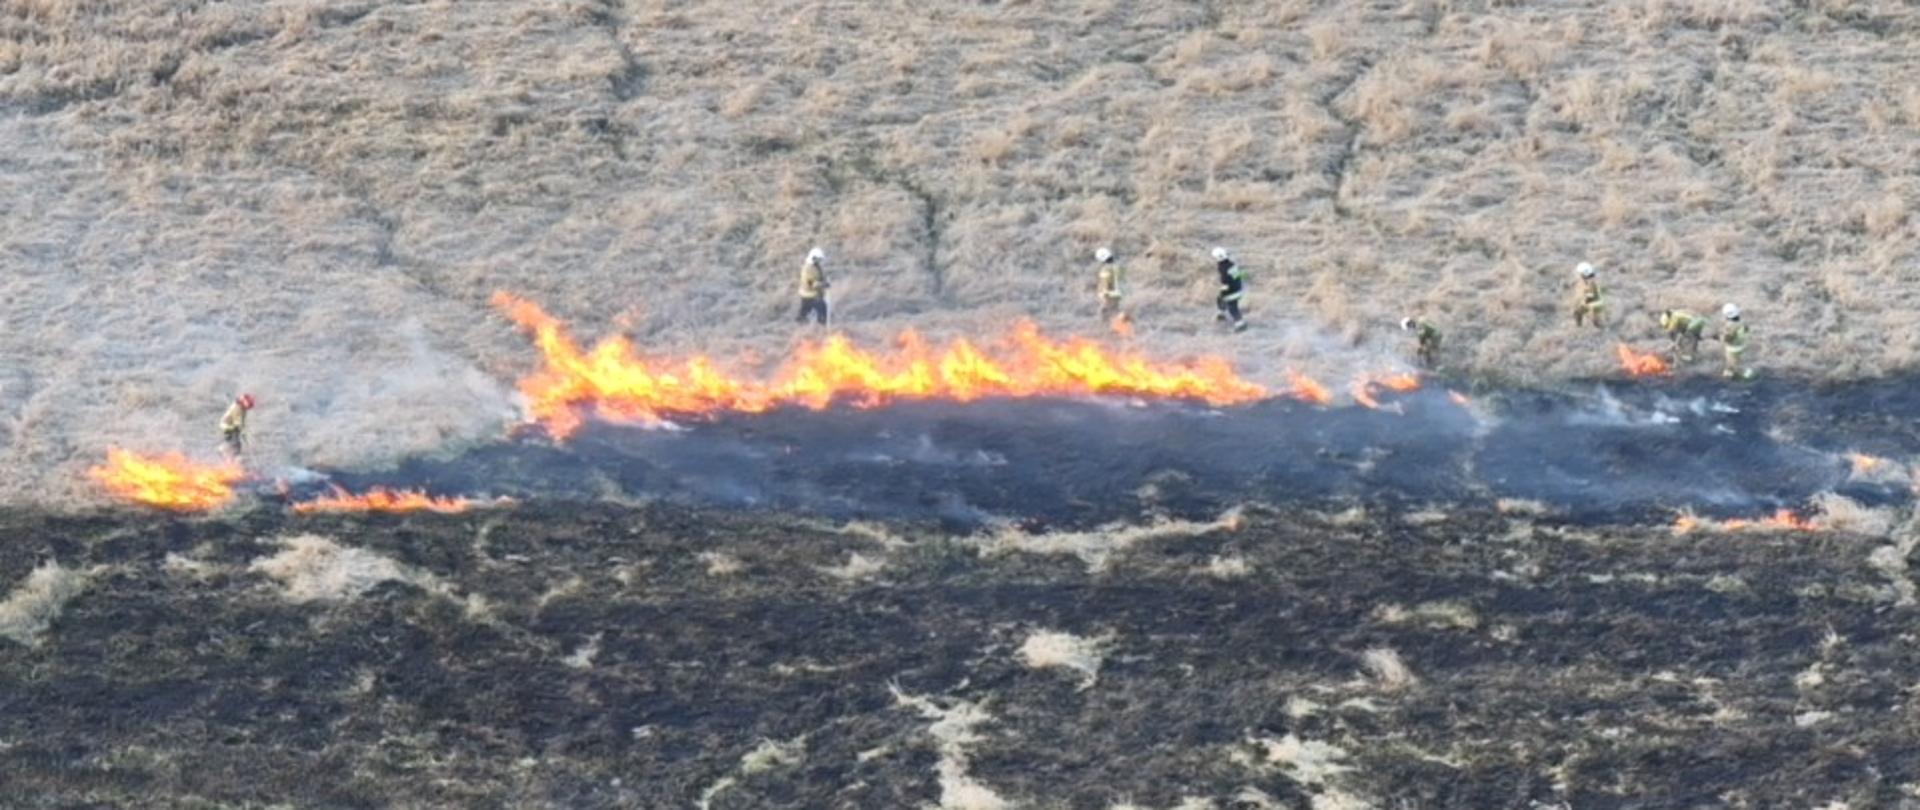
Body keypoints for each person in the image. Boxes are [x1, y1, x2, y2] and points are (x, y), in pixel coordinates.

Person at [1212, 247, 1247, 332]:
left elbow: (1225, 282)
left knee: (1232, 308)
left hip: (1232, 291)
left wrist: (1224, 292)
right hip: (1238, 288)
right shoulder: (1231, 264)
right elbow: (1240, 276)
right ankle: (1221, 314)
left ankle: (1240, 324)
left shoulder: (1222, 268)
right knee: (1220, 299)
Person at [1719, 303, 1753, 380]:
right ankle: (1732, 372)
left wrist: (1721, 336)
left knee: (1732, 365)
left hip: (1732, 349)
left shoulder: (1730, 326)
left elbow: (1727, 339)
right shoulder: (1743, 322)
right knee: (1738, 361)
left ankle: (1737, 376)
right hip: (1742, 346)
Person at [797, 246, 830, 325]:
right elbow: (810, 283)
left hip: (813, 294)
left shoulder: (815, 266)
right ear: (814, 258)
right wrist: (822, 284)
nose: (820, 261)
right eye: (819, 259)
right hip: (810, 295)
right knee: (821, 309)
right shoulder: (807, 269)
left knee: (805, 312)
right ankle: (820, 327)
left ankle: (803, 323)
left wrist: (824, 282)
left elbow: (819, 277)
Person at [220, 393, 256, 458]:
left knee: (235, 442)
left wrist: (242, 430)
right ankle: (227, 454)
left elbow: (241, 422)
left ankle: (230, 454)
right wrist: (242, 432)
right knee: (235, 442)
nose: (249, 408)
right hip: (229, 426)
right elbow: (238, 422)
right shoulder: (238, 408)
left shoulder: (242, 408)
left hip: (231, 426)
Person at [1094, 247, 1124, 322]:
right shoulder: (1118, 267)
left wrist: (1104, 295)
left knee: (1104, 312)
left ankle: (1106, 330)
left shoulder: (1105, 270)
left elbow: (1105, 284)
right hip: (1118, 293)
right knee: (1115, 311)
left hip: (1110, 295)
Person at [1572, 262, 1606, 328]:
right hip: (1593, 302)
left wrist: (1584, 303)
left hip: (1594, 303)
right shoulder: (1589, 281)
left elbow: (1590, 297)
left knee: (1594, 319)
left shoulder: (1590, 283)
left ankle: (1598, 326)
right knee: (1577, 313)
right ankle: (1580, 325)